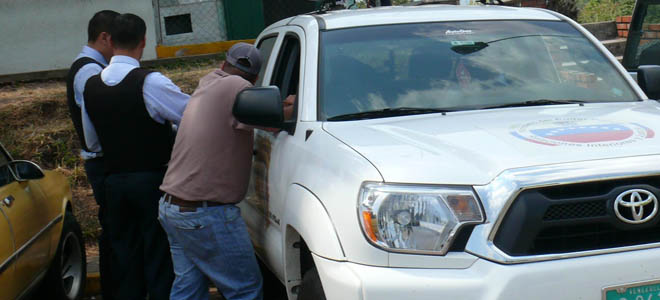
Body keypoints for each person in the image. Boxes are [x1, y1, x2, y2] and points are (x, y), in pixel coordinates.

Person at [158, 43, 294, 300]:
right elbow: (274, 120)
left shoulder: (208, 82)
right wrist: (296, 103)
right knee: (244, 290)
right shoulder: (237, 87)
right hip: (205, 214)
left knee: (188, 288)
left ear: (223, 64)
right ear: (255, 78)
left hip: (174, 209)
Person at [83, 13, 189, 300]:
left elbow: (92, 141)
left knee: (124, 255)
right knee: (158, 252)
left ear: (111, 40)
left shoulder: (91, 84)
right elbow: (190, 115)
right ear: (143, 42)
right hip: (151, 179)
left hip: (113, 181)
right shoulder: (150, 81)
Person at [64, 10, 119, 300]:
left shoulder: (89, 66)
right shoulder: (89, 71)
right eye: (118, 41)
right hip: (102, 162)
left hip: (101, 161)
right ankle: (115, 289)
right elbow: (96, 124)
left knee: (115, 227)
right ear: (105, 37)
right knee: (114, 229)